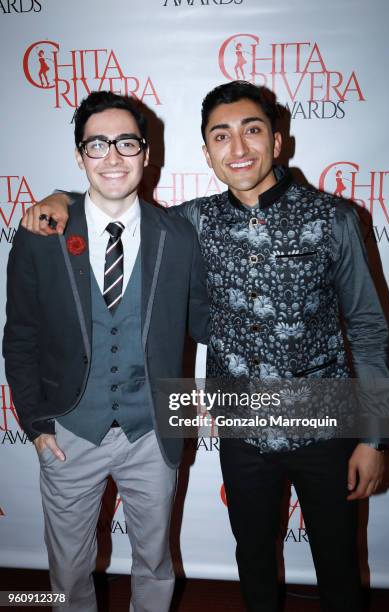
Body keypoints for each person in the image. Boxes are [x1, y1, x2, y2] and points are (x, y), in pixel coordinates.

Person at [21, 81, 389, 612]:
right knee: (255, 565)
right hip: (241, 419)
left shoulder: (334, 218)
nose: (238, 149)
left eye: (252, 131)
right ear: (207, 153)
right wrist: (61, 198)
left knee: (338, 565)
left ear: (278, 142)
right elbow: (113, 202)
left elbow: (369, 328)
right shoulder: (190, 222)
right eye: (222, 136)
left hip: (325, 415)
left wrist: (375, 437)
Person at [3, 90, 209, 612]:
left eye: (126, 143)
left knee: (155, 564)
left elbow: (206, 323)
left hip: (152, 435)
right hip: (71, 431)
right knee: (67, 572)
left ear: (146, 153)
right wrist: (35, 421)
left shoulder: (179, 237)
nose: (113, 157)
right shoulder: (42, 231)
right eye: (97, 144)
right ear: (79, 156)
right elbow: (20, 334)